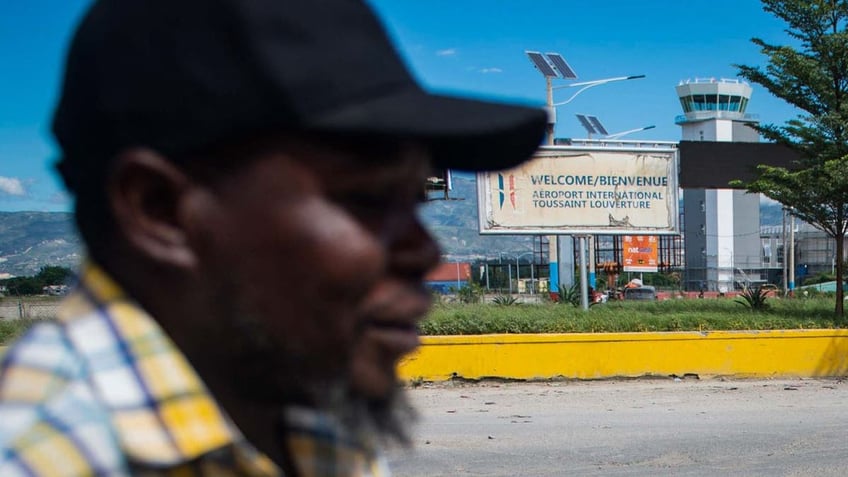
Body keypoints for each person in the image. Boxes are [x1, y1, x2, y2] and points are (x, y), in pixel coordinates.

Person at [0, 0, 546, 475]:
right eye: (366, 200)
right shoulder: (41, 456)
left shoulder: (305, 421)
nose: (426, 251)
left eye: (416, 203)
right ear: (160, 211)